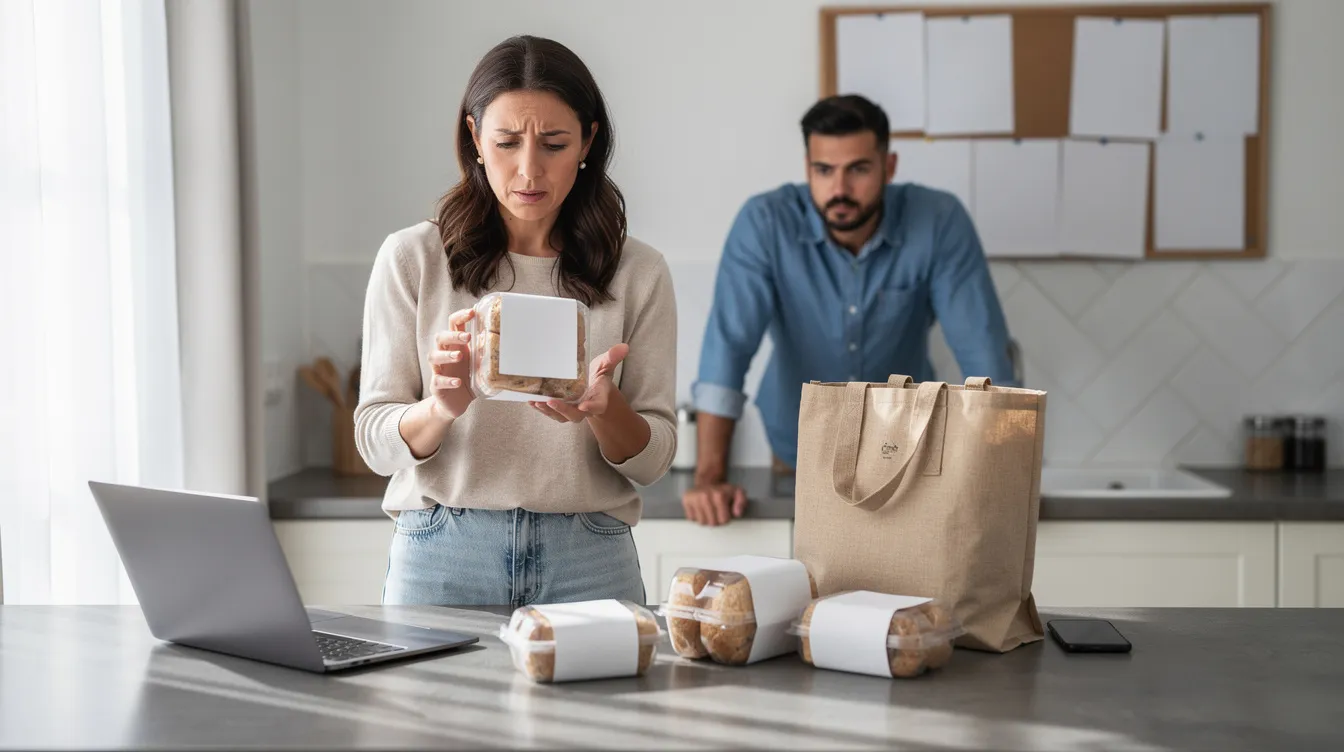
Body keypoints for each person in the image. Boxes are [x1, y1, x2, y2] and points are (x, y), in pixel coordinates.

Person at [355, 35, 677, 607]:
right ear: (475, 138)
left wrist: (605, 410)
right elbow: (375, 442)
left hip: (590, 555)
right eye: (506, 142)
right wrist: (442, 407)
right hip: (443, 551)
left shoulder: (639, 272)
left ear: (588, 141)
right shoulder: (413, 259)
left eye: (554, 144)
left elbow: (654, 461)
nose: (530, 171)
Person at [683, 94, 1015, 526]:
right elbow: (728, 348)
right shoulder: (765, 222)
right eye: (824, 170)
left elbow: (983, 354)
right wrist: (709, 478)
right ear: (807, 169)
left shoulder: (938, 220)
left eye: (858, 169)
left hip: (910, 451)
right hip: (798, 450)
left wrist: (1004, 479)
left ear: (889, 167)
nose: (839, 190)